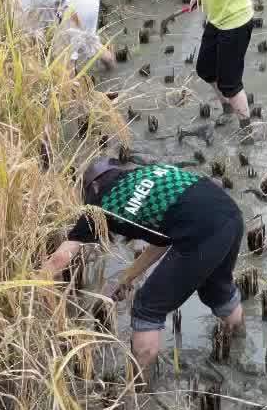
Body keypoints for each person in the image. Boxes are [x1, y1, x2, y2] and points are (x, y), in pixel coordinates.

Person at [40, 157, 245, 378]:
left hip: (202, 230)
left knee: (146, 307)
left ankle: (138, 391)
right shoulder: (147, 173)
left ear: (93, 188)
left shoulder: (98, 207)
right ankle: (240, 348)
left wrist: (32, 286)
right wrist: (126, 278)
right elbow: (163, 238)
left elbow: (60, 259)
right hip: (230, 215)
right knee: (217, 291)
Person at [13, 0, 115, 68]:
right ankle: (110, 63)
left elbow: (31, 36)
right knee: (89, 39)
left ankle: (72, 81)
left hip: (75, 3)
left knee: (64, 59)